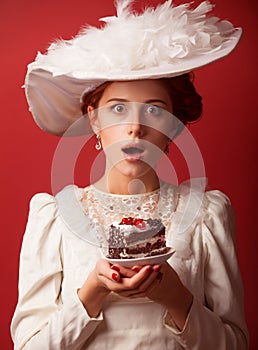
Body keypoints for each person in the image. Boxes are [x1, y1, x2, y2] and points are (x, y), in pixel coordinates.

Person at [11, 1, 249, 349]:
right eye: (118, 108)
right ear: (94, 120)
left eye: (155, 110)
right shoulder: (56, 216)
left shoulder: (205, 214)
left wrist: (175, 298)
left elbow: (236, 344)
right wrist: (93, 290)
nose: (135, 128)